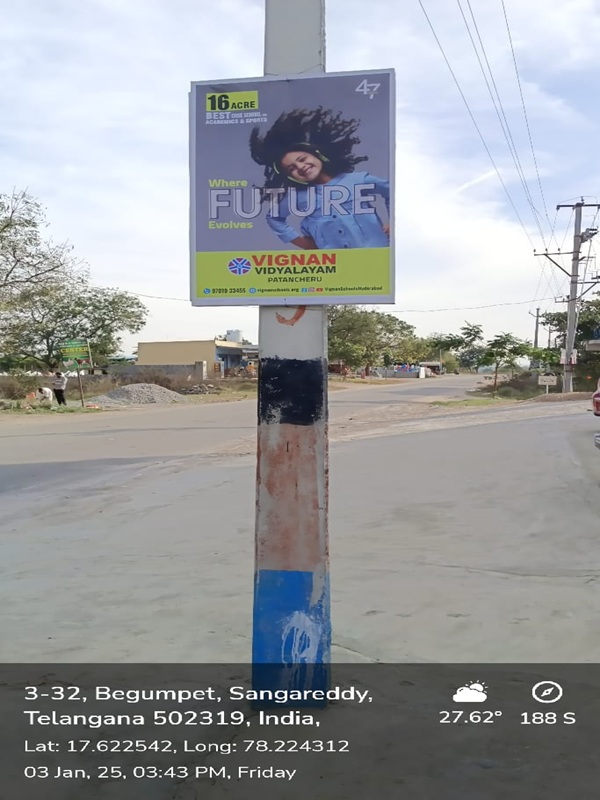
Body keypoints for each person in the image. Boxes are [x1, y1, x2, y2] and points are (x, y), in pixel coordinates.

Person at [249, 107, 389, 250]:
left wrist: (396, 224)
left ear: (317, 154)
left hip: (375, 256)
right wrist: (302, 243)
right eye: (292, 168)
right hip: (333, 265)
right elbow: (274, 218)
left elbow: (391, 191)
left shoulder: (358, 180)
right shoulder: (297, 197)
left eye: (302, 159)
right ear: (290, 176)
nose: (301, 167)